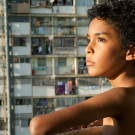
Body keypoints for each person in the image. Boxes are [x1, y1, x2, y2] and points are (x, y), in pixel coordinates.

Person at [29, 0, 135, 135]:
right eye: (88, 39)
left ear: (131, 52)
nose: (87, 49)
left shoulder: (119, 96)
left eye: (100, 39)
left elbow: (38, 126)